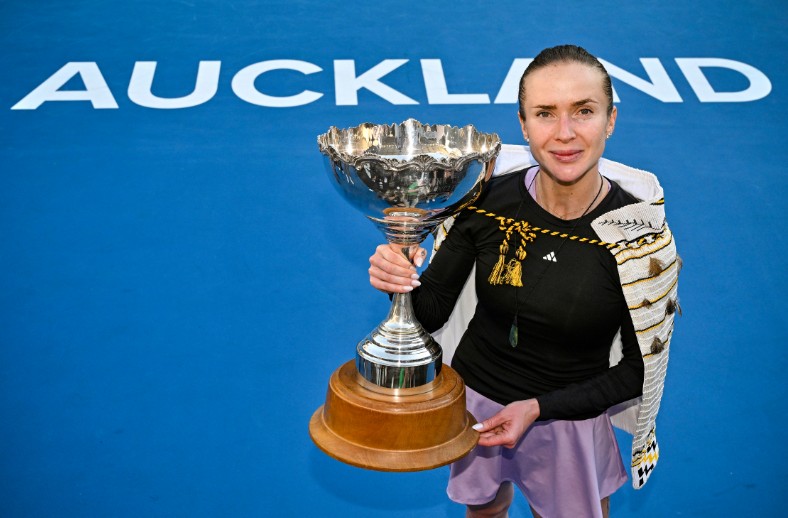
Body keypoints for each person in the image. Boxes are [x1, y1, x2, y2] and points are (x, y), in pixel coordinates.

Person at [368, 45, 679, 517]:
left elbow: (640, 373)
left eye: (584, 111)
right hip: (475, 399)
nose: (565, 133)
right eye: (544, 114)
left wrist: (539, 407)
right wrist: (400, 279)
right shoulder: (484, 199)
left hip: (571, 417)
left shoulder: (639, 239)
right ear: (523, 124)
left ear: (611, 119)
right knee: (485, 509)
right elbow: (431, 311)